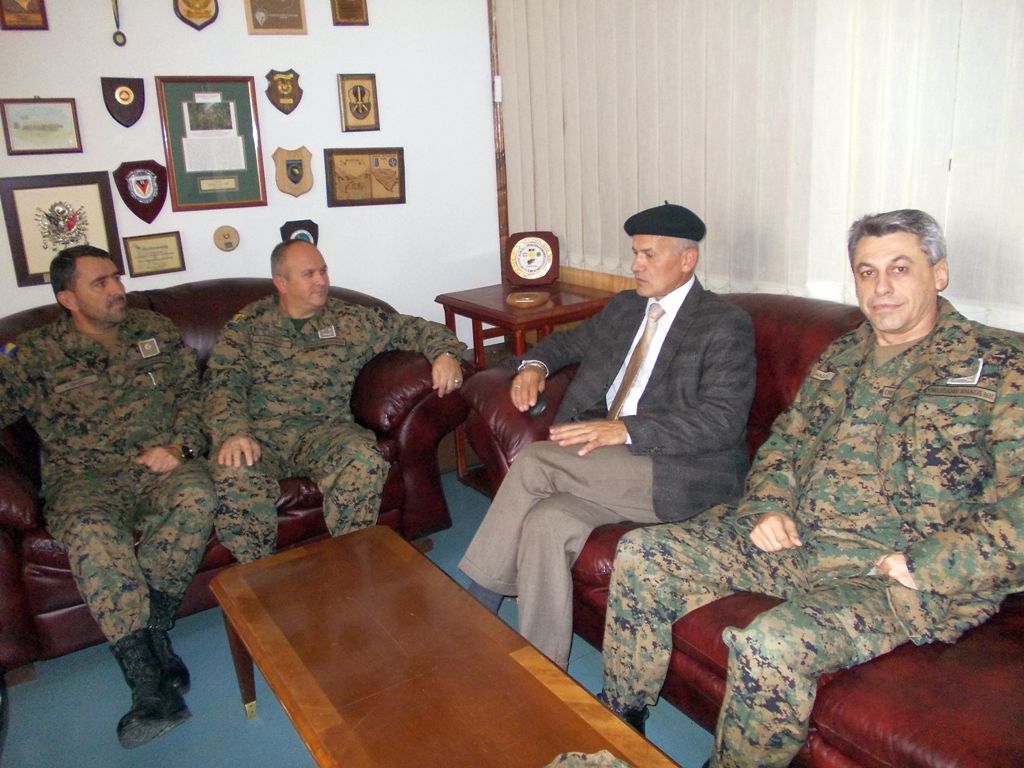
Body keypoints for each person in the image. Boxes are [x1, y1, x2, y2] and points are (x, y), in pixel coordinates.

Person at [599, 209, 1024, 766]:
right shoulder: (844, 353)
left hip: (894, 575)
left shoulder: (999, 365)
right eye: (867, 272)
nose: (882, 286)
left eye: (900, 268)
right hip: (802, 542)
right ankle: (620, 724)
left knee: (771, 643)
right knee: (643, 552)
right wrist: (769, 505)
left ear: (938, 273)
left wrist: (928, 563)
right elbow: (787, 439)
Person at [459, 202, 757, 669]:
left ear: (687, 259)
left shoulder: (723, 324)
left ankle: (469, 613)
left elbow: (722, 421)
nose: (636, 265)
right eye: (635, 253)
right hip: (609, 466)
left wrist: (625, 430)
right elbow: (566, 343)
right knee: (547, 522)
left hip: (675, 470)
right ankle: (541, 670)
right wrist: (534, 366)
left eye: (648, 255)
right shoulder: (625, 307)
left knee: (535, 461)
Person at [0, 245, 216, 748]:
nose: (118, 289)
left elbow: (193, 397)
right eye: (100, 283)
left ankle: (154, 629)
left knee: (198, 493)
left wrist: (181, 448)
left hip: (160, 464)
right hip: (85, 479)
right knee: (92, 534)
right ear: (67, 298)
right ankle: (147, 683)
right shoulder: (34, 355)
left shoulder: (155, 331)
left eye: (116, 277)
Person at [204, 239, 467, 563]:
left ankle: (350, 565)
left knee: (365, 459)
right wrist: (233, 433)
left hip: (325, 432)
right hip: (261, 435)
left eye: (323, 271)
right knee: (233, 472)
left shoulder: (349, 320)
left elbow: (416, 328)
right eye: (309, 274)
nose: (321, 280)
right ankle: (261, 576)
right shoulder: (247, 327)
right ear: (281, 283)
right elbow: (222, 385)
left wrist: (445, 354)